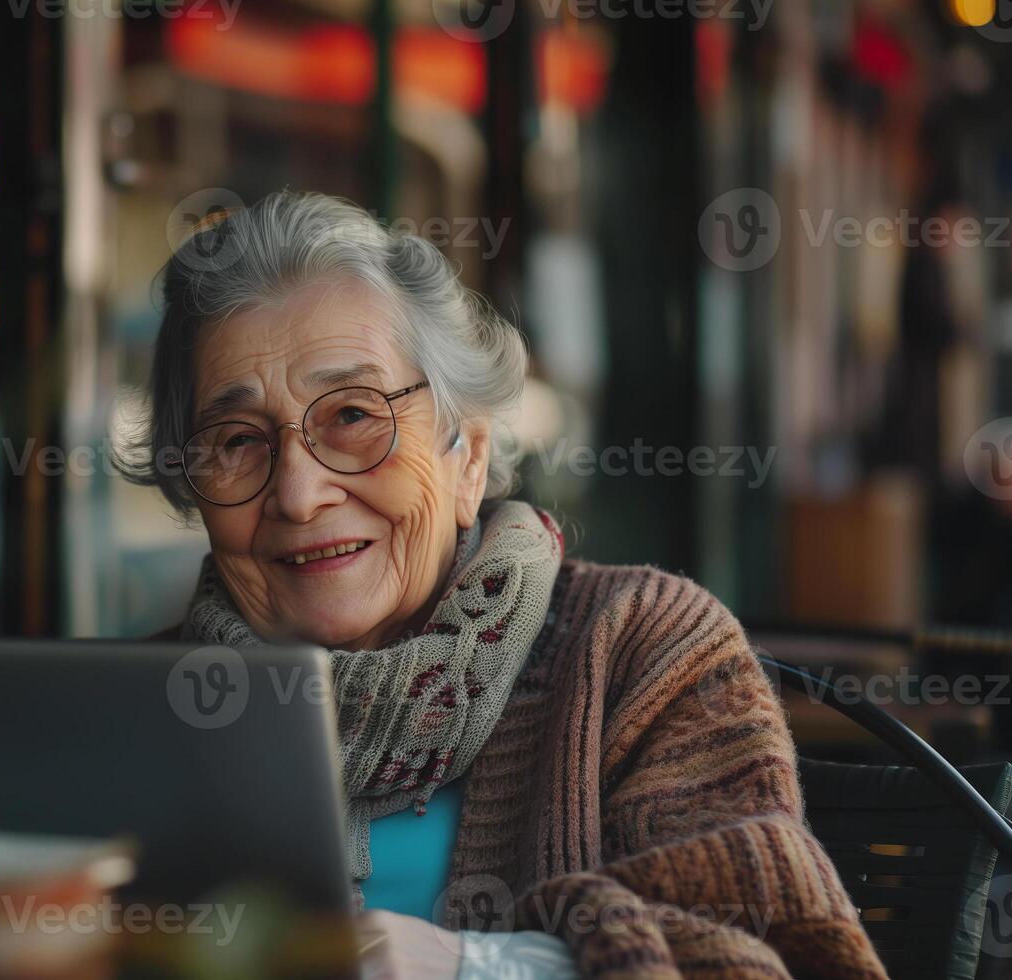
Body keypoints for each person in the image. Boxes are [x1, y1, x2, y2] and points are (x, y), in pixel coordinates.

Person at [120, 191, 886, 979]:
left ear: (470, 458)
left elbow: (756, 960)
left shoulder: (641, 652)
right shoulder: (134, 710)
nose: (298, 494)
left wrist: (473, 966)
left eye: (352, 415)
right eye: (237, 440)